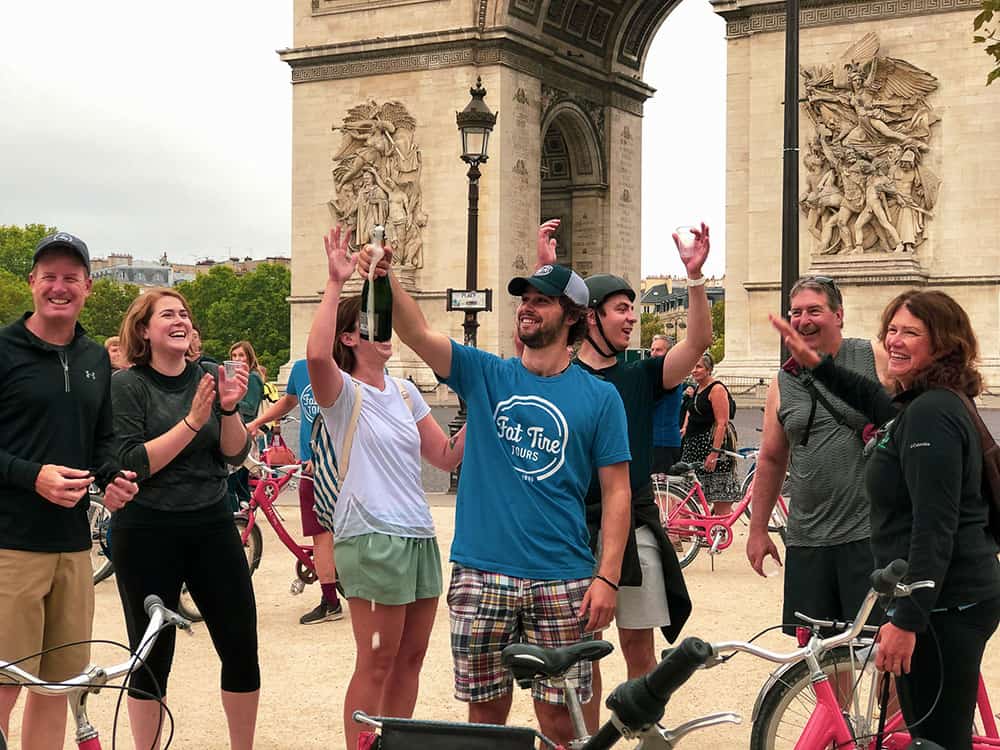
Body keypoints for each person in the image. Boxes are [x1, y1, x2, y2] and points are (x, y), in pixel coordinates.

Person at [360, 231, 631, 747]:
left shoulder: (601, 399)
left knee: (564, 723)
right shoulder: (484, 373)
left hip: (564, 576)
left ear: (573, 315)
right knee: (486, 723)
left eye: (541, 301)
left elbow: (616, 493)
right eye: (524, 299)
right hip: (482, 570)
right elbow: (415, 331)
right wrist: (383, 276)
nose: (526, 309)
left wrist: (609, 578)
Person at [772, 290, 1000, 750]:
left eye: (910, 333)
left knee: (936, 741)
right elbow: (872, 398)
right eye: (891, 330)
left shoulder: (931, 417)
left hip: (945, 607)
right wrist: (816, 364)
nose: (894, 341)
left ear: (942, 344)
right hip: (952, 598)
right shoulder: (923, 404)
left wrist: (908, 620)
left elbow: (934, 527)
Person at [533, 219, 709, 730]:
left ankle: (645, 736)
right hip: (570, 525)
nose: (632, 318)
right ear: (591, 317)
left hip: (632, 523)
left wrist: (694, 278)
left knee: (639, 645)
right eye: (622, 309)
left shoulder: (640, 374)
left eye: (633, 308)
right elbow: (534, 329)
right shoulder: (559, 375)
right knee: (578, 657)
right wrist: (545, 271)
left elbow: (697, 342)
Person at [309, 227, 466, 750]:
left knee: (412, 659)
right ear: (350, 337)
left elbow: (443, 455)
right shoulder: (342, 392)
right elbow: (314, 358)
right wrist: (336, 284)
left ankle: (393, 745)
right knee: (376, 659)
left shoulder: (403, 391)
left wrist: (491, 405)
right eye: (369, 323)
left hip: (417, 535)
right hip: (371, 536)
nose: (384, 330)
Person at [0, 232, 139, 749]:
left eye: (71, 278)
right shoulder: (3, 349)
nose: (60, 287)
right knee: (5, 686)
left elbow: (101, 442)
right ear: (32, 282)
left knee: (58, 687)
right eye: (50, 276)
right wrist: (30, 474)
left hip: (73, 547)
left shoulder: (94, 358)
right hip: (10, 545)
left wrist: (113, 479)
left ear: (87, 288)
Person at [111, 289, 259, 750]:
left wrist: (230, 409)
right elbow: (135, 460)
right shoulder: (128, 384)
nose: (180, 320)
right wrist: (193, 421)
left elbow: (235, 453)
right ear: (144, 329)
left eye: (184, 314)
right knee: (151, 656)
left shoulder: (212, 376)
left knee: (240, 648)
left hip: (212, 522)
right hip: (147, 528)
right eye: (167, 314)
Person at [746, 276, 889, 637]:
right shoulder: (783, 380)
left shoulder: (873, 355)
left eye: (814, 310)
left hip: (868, 534)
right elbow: (772, 459)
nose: (803, 320)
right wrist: (759, 529)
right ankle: (836, 701)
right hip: (807, 538)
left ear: (839, 315)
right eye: (795, 312)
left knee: (879, 656)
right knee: (818, 654)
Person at [247, 360, 345, 625]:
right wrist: (258, 422)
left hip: (341, 465)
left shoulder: (350, 366)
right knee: (320, 534)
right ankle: (330, 599)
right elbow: (288, 401)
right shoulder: (301, 369)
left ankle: (335, 599)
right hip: (309, 464)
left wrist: (328, 455)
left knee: (336, 534)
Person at [680, 352, 739, 516]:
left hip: (712, 444)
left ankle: (718, 533)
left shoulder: (717, 389)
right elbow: (691, 411)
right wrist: (685, 428)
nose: (693, 370)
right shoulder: (698, 387)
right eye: (692, 366)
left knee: (719, 491)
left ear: (709, 369)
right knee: (688, 490)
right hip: (694, 444)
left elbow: (722, 423)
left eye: (698, 366)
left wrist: (714, 453)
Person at [227, 340, 266, 510]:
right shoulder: (237, 380)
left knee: (233, 483)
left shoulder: (253, 377)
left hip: (245, 435)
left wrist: (228, 402)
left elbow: (250, 408)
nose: (237, 359)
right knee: (240, 486)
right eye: (234, 355)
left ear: (249, 358)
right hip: (238, 434)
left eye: (241, 355)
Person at [649, 335, 684, 473]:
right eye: (652, 350)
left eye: (658, 350)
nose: (653, 354)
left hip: (663, 442)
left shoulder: (668, 375)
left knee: (660, 490)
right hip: (659, 440)